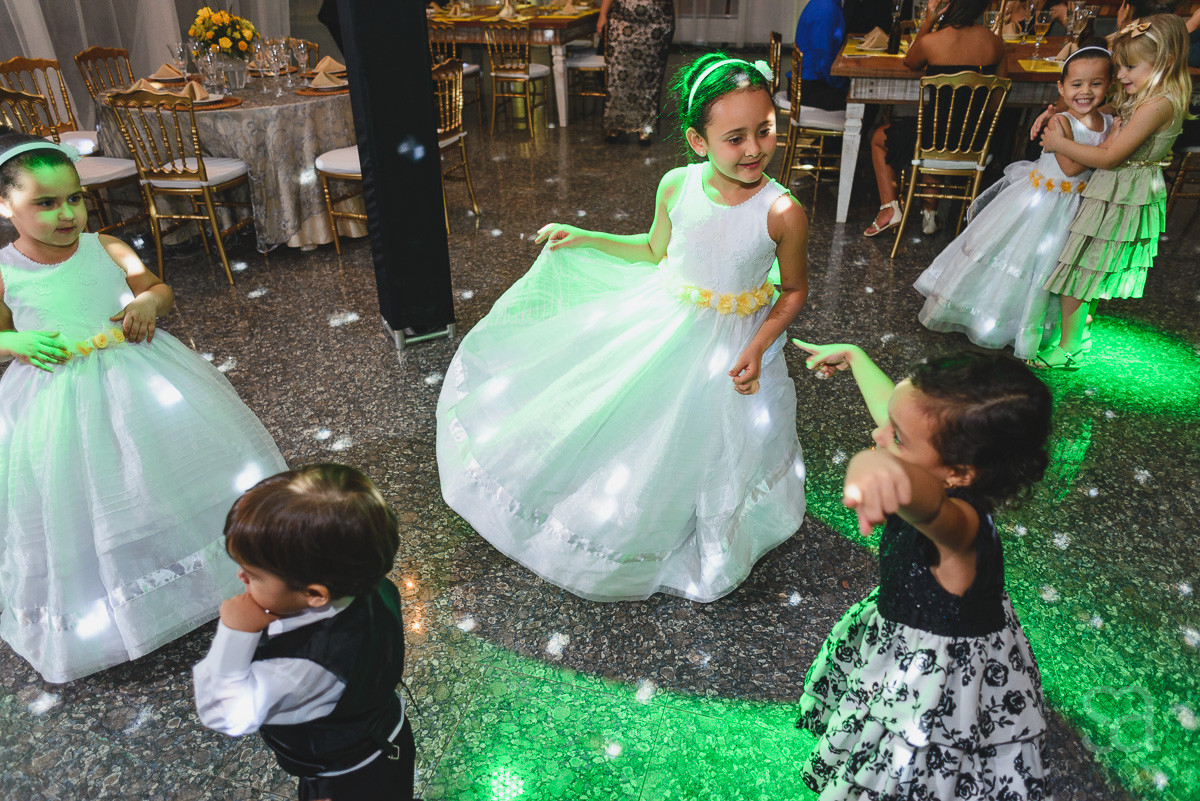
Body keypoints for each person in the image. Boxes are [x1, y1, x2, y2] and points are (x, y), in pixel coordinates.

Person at [436, 54, 809, 603]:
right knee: (635, 421)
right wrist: (584, 236)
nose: (754, 148)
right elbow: (656, 250)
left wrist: (758, 343)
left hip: (731, 344)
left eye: (765, 130)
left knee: (715, 443)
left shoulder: (782, 212)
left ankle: (706, 528)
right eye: (735, 137)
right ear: (698, 141)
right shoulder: (675, 185)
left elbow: (794, 290)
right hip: (663, 322)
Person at [0, 129, 287, 684]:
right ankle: (121, 596)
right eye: (46, 203)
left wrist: (148, 303)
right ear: (6, 205)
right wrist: (15, 344)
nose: (66, 215)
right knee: (87, 492)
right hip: (57, 396)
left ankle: (210, 567)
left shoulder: (105, 246)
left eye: (74, 198)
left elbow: (156, 287)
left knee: (162, 470)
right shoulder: (5, 269)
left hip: (137, 370)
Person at [792, 342, 1053, 800]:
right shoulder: (931, 461)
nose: (878, 436)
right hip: (908, 631)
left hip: (936, 680)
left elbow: (924, 502)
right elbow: (893, 411)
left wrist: (873, 466)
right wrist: (856, 357)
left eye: (896, 439)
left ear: (959, 473)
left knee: (915, 755)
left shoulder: (961, 529)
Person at [193, 464, 413, 801]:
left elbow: (223, 713)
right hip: (387, 730)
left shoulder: (302, 667)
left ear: (314, 594)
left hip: (343, 777)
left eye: (253, 573)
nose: (241, 577)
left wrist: (235, 631)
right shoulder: (372, 584)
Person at [913, 46, 1114, 359]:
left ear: (1109, 86)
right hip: (1044, 202)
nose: (1086, 91)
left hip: (1077, 207)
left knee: (1053, 268)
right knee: (1018, 259)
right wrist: (1107, 155)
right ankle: (991, 320)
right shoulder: (1059, 123)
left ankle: (1039, 325)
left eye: (1096, 84)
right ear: (1061, 88)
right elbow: (1071, 167)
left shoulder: (1109, 122)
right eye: (1076, 85)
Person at [1033, 13, 1191, 368]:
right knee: (1089, 265)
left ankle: (1069, 349)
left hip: (1121, 190)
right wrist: (1061, 112)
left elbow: (1109, 157)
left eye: (1129, 67)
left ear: (1163, 61)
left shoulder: (1156, 104)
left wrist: (1058, 141)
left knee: (1077, 269)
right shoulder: (1153, 91)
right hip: (1120, 189)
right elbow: (1109, 109)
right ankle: (1079, 329)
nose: (1120, 76)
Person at [863, 0, 1005, 238]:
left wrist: (929, 20)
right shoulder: (995, 43)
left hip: (933, 138)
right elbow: (996, 101)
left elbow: (910, 61)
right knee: (936, 135)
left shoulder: (931, 42)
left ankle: (889, 209)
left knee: (881, 138)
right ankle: (929, 214)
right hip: (975, 142)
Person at [598, 0, 676, 145]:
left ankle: (645, 128)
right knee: (618, 74)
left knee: (649, 77)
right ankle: (616, 126)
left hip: (656, 22)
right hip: (622, 21)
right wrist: (603, 14)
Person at [794, 0, 849, 111]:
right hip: (809, 87)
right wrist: (841, 84)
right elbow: (822, 61)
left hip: (811, 81)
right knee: (865, 103)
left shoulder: (830, 4)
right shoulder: (827, 7)